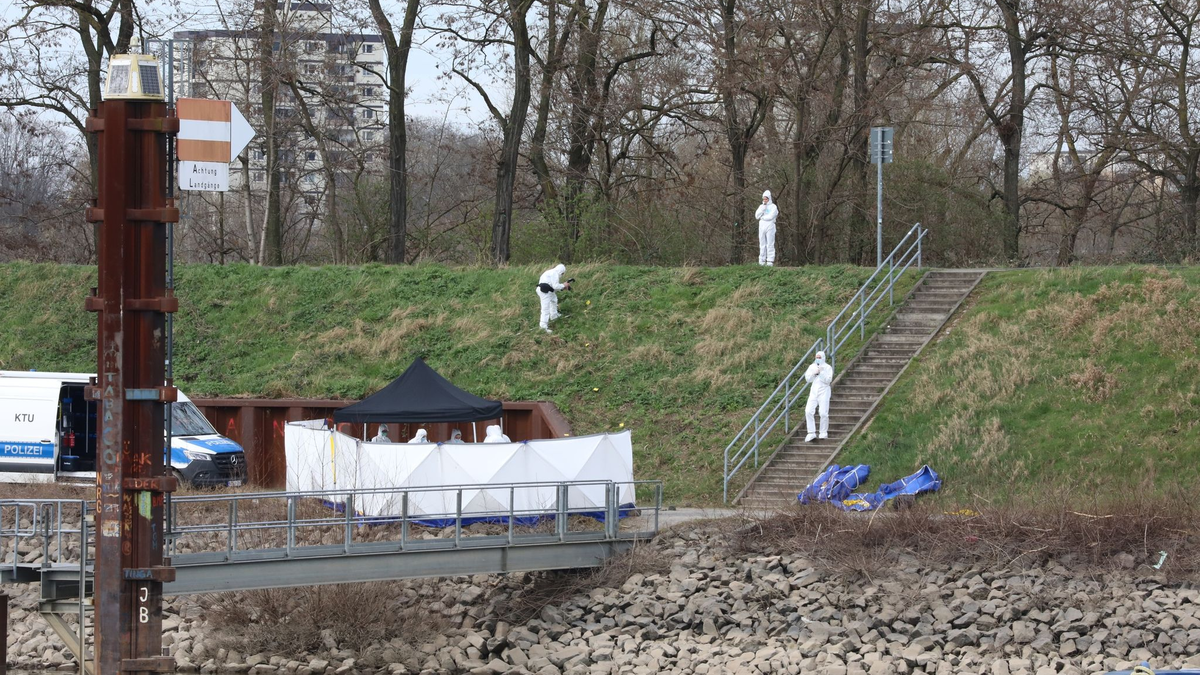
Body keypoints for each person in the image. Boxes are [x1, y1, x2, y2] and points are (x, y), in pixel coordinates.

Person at [804, 351, 834, 442]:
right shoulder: (812, 367)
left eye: (819, 357)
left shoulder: (828, 367)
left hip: (824, 391)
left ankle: (823, 432)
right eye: (816, 357)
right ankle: (811, 432)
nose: (818, 359)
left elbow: (828, 380)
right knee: (808, 411)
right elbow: (808, 379)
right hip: (814, 391)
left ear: (823, 358)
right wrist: (814, 373)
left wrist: (821, 372)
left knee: (823, 413)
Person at [536, 264, 572, 334]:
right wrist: (564, 285)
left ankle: (554, 315)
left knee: (554, 300)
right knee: (545, 309)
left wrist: (562, 288)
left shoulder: (551, 272)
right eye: (563, 273)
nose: (562, 275)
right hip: (544, 292)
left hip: (547, 290)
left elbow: (552, 287)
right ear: (561, 271)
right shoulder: (554, 274)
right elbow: (555, 286)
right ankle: (543, 327)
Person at [755, 190, 779, 266]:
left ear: (769, 198)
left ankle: (770, 261)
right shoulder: (761, 206)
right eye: (764, 199)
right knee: (762, 244)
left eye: (766, 199)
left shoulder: (773, 207)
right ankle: (761, 261)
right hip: (762, 226)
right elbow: (757, 216)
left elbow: (771, 216)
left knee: (770, 243)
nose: (765, 200)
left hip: (770, 226)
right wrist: (763, 209)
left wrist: (763, 217)